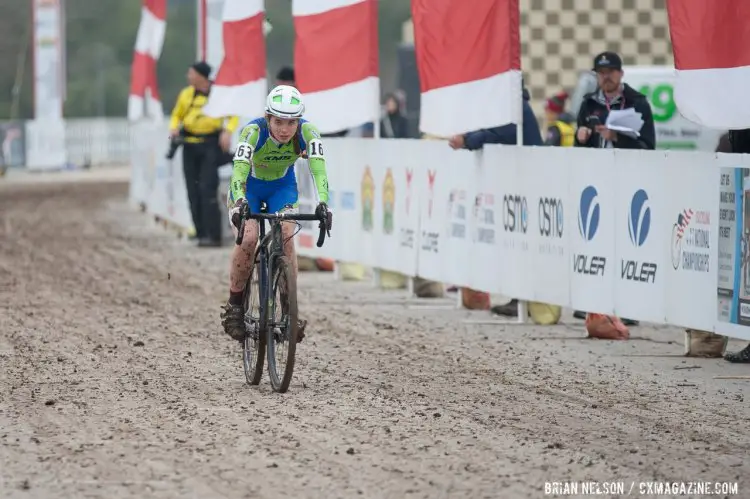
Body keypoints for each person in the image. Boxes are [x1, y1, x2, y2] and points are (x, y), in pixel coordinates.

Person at [220, 85, 331, 342]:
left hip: (282, 188)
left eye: (291, 122)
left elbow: (319, 171)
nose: (284, 129)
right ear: (268, 117)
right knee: (248, 238)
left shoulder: (309, 132)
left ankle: (289, 311)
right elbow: (238, 171)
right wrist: (238, 202)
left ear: (299, 121)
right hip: (249, 188)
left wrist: (324, 203)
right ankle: (235, 306)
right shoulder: (252, 132)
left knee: (287, 238)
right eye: (278, 122)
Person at [169, 61, 239, 247]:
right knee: (192, 191)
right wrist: (174, 128)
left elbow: (233, 114)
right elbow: (176, 115)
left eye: (191, 73)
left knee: (207, 190)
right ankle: (200, 233)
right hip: (189, 146)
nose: (188, 76)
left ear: (201, 76)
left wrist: (228, 131)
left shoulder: (218, 94)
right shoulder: (186, 94)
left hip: (210, 146)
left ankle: (213, 235)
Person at [574, 51, 656, 150]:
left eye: (610, 71)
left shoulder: (637, 103)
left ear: (621, 73)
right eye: (601, 72)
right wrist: (580, 138)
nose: (606, 77)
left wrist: (617, 137)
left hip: (628, 165)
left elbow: (648, 146)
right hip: (595, 165)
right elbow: (578, 149)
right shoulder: (588, 103)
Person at [448, 86, 543, 150]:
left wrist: (466, 140)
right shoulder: (508, 102)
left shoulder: (510, 105)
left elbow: (499, 135)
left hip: (530, 168)